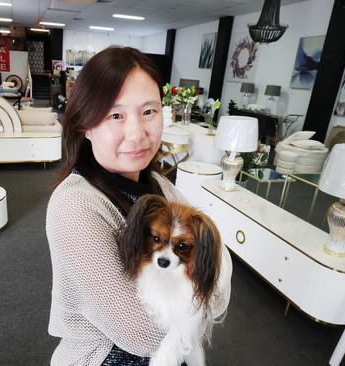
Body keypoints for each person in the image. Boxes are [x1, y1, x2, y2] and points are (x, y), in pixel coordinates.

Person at [46, 46, 231, 366]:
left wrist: (201, 294)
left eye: (149, 111)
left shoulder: (160, 186)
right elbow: (142, 335)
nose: (137, 133)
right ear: (85, 125)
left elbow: (219, 258)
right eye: (115, 115)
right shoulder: (75, 206)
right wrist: (199, 295)